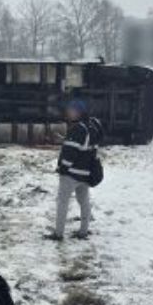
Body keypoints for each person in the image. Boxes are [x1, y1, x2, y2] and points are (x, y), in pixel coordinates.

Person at [51, 98, 101, 240]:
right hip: (85, 174)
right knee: (84, 202)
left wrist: (63, 167)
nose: (68, 112)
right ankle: (83, 232)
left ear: (78, 112)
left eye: (71, 110)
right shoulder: (92, 127)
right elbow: (91, 150)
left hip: (71, 174)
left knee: (62, 202)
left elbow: (70, 152)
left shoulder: (78, 129)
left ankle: (58, 233)